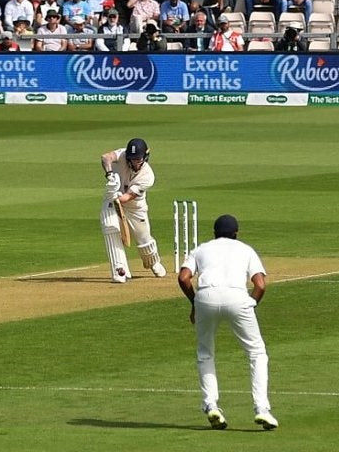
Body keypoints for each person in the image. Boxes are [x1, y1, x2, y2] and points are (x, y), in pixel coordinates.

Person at [177, 211, 276, 430]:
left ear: (214, 233)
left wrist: (195, 303)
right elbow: (260, 285)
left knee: (205, 353)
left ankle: (210, 404)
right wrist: (250, 306)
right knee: (257, 353)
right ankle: (262, 409)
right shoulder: (246, 249)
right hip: (237, 297)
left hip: (205, 297)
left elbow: (183, 277)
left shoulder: (201, 248)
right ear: (236, 233)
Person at [100, 136, 165, 282]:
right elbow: (106, 157)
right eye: (132, 158)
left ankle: (154, 262)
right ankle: (120, 271)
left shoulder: (148, 176)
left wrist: (115, 194)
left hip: (135, 207)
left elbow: (127, 198)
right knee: (110, 226)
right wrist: (110, 175)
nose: (135, 161)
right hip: (112, 199)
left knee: (144, 242)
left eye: (138, 158)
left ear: (145, 157)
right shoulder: (123, 155)